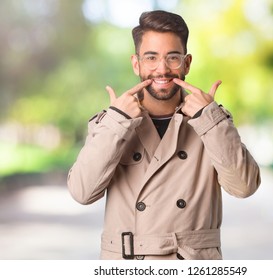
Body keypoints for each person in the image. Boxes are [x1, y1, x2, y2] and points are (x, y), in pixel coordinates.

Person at [67, 10, 261, 260]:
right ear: (136, 63)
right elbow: (82, 192)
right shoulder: (113, 122)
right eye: (151, 58)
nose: (162, 69)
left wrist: (209, 119)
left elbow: (244, 186)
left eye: (173, 58)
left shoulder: (211, 121)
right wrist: (117, 121)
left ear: (187, 63)